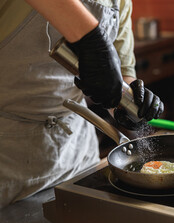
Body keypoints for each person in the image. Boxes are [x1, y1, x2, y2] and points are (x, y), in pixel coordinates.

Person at [0, 0, 163, 208]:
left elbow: (119, 76)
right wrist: (90, 38)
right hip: (7, 159)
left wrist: (129, 103)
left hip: (76, 152)